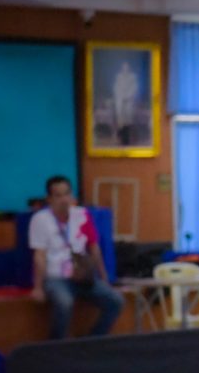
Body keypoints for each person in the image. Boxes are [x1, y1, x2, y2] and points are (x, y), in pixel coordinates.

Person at [29, 176, 124, 339]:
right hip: (56, 277)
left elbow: (94, 248)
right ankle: (57, 345)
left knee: (116, 301)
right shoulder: (40, 220)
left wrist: (104, 278)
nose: (64, 200)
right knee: (65, 302)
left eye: (67, 194)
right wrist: (38, 287)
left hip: (82, 275)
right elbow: (39, 255)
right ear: (49, 199)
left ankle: (92, 341)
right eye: (58, 195)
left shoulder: (82, 214)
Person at [113, 61, 139, 146]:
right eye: (124, 67)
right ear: (122, 68)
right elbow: (116, 87)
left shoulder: (133, 76)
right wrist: (121, 96)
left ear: (129, 68)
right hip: (120, 100)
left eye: (127, 67)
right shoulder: (118, 76)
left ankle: (127, 139)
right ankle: (120, 137)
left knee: (128, 119)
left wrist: (128, 96)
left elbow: (134, 88)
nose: (125, 69)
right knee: (120, 119)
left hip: (129, 101)